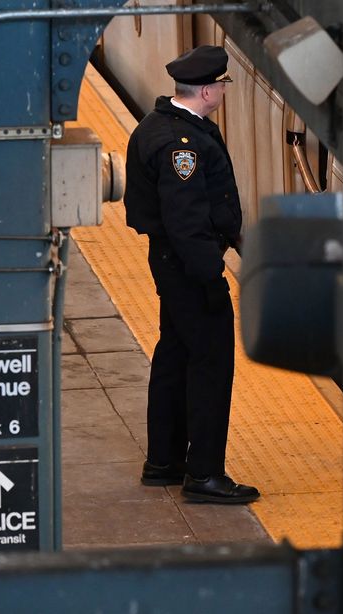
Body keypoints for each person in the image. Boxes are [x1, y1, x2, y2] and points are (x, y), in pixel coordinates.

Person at [123, 45, 259, 504]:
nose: (223, 89)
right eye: (221, 84)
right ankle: (204, 474)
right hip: (188, 268)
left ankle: (164, 461)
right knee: (210, 366)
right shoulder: (181, 145)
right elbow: (186, 221)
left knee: (175, 355)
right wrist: (212, 276)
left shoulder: (164, 125)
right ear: (207, 90)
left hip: (170, 264)